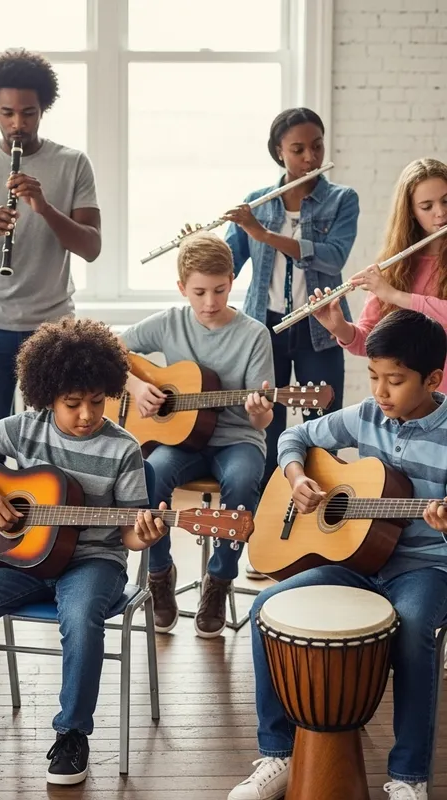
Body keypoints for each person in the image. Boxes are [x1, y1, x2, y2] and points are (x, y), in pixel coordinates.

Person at [0, 318, 164, 786]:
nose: (85, 414)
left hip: (93, 561)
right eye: (72, 404)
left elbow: (127, 531)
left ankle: (71, 735)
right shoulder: (26, 429)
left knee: (82, 614)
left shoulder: (124, 449)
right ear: (46, 395)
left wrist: (142, 536)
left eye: (96, 401)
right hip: (25, 561)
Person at [229, 309, 447, 800]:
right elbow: (294, 436)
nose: (380, 392)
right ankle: (277, 755)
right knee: (266, 608)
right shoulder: (367, 415)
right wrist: (297, 476)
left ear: (433, 378)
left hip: (424, 567)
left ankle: (409, 777)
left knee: (413, 628)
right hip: (355, 565)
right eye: (372, 377)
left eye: (394, 381)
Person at [118, 232, 274, 637]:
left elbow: (261, 423)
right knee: (148, 474)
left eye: (220, 290)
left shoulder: (255, 334)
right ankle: (159, 575)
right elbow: (105, 347)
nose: (210, 302)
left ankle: (218, 581)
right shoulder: (170, 322)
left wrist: (261, 412)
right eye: (199, 291)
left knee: (241, 481)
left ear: (232, 280)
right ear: (182, 287)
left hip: (237, 439)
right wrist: (136, 388)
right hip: (180, 441)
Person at [0, 48, 101, 429]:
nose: (17, 124)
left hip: (53, 328)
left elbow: (91, 247)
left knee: (54, 438)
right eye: (7, 113)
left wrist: (43, 207)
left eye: (28, 113)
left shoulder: (73, 163)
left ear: (43, 109)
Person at [223, 107, 359, 489]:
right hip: (264, 328)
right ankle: (271, 516)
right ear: (279, 152)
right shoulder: (258, 203)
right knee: (267, 426)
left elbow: (333, 256)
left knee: (323, 426)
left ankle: (320, 516)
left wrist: (265, 235)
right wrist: (196, 252)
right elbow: (226, 264)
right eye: (298, 149)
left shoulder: (342, 200)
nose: (310, 158)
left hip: (319, 326)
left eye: (316, 147)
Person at [311, 158, 447, 391]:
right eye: (427, 206)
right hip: (409, 401)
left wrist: (395, 295)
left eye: (446, 201)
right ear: (411, 212)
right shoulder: (393, 266)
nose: (441, 212)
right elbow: (372, 342)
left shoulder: (389, 289)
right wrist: (340, 328)